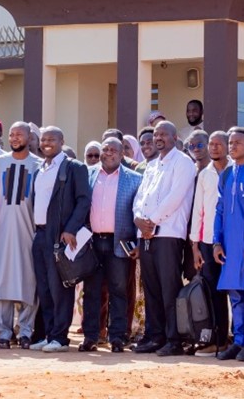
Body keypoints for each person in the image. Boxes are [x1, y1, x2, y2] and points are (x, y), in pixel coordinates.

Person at [131, 121, 196, 356]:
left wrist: (151, 222)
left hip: (168, 233)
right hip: (146, 234)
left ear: (174, 137)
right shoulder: (152, 165)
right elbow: (140, 197)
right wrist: (138, 218)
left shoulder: (183, 162)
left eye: (163, 134)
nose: (158, 138)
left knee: (169, 288)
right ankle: (154, 336)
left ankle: (173, 339)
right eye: (155, 135)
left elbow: (175, 197)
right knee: (151, 289)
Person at [28, 126, 90, 353]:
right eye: (43, 140)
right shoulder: (40, 170)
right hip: (40, 235)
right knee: (44, 288)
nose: (46, 143)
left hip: (60, 236)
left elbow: (84, 201)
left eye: (51, 139)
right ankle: (49, 334)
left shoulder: (74, 168)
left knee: (59, 287)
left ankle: (61, 338)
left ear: (62, 141)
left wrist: (71, 229)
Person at [81, 137, 141, 353]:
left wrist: (139, 242)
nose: (108, 153)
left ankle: (117, 337)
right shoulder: (87, 175)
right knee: (92, 291)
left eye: (113, 150)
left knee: (118, 290)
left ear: (121, 154)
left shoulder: (134, 179)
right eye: (105, 149)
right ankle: (91, 336)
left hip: (119, 243)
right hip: (92, 242)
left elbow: (138, 212)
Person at [0, 121, 40, 350]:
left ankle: (26, 331)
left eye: (20, 134)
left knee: (28, 282)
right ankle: (3, 331)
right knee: (2, 282)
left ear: (29, 138)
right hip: (1, 233)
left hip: (29, 234)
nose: (15, 138)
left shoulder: (38, 165)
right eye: (11, 135)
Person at [213, 127, 244, 362]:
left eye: (237, 143)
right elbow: (219, 210)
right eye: (230, 142)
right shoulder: (226, 174)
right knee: (235, 297)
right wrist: (216, 242)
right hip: (229, 246)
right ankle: (238, 340)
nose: (232, 146)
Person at [189, 130, 230, 352]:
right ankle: (219, 340)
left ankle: (241, 339)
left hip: (233, 241)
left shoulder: (236, 170)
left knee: (236, 292)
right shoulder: (205, 174)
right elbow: (198, 210)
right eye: (211, 144)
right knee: (213, 292)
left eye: (218, 144)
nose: (214, 148)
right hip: (206, 241)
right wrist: (195, 245)